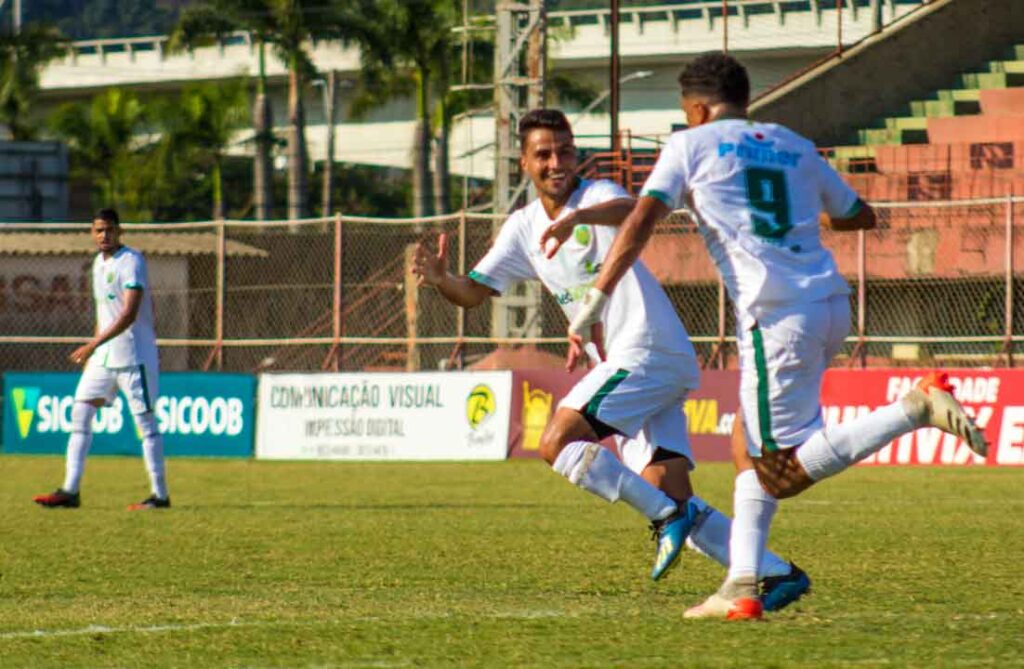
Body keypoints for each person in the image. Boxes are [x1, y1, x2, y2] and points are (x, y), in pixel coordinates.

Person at [567, 53, 987, 620]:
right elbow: (860, 214)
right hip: (828, 303)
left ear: (695, 108)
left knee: (777, 472)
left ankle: (913, 409)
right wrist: (800, 215)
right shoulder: (791, 143)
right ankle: (742, 584)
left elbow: (642, 218)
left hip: (775, 315)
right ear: (745, 101)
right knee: (746, 443)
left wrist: (596, 294)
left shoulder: (689, 146)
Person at [413, 108, 810, 610]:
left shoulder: (594, 195)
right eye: (544, 154)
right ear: (523, 163)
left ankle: (667, 519)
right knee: (673, 495)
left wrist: (578, 217)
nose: (557, 162)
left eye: (565, 150)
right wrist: (442, 280)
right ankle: (775, 572)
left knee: (558, 442)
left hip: (645, 349)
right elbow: (472, 292)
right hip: (642, 363)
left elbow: (633, 210)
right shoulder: (522, 227)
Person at [33, 208, 170, 511]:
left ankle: (160, 496)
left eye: (109, 229)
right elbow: (103, 314)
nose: (103, 235)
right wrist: (95, 349)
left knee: (146, 425)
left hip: (134, 356)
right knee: (80, 411)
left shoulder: (131, 261)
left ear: (120, 231)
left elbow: (129, 314)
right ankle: (70, 490)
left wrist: (92, 343)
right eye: (98, 230)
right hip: (105, 357)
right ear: (91, 233)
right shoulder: (97, 263)